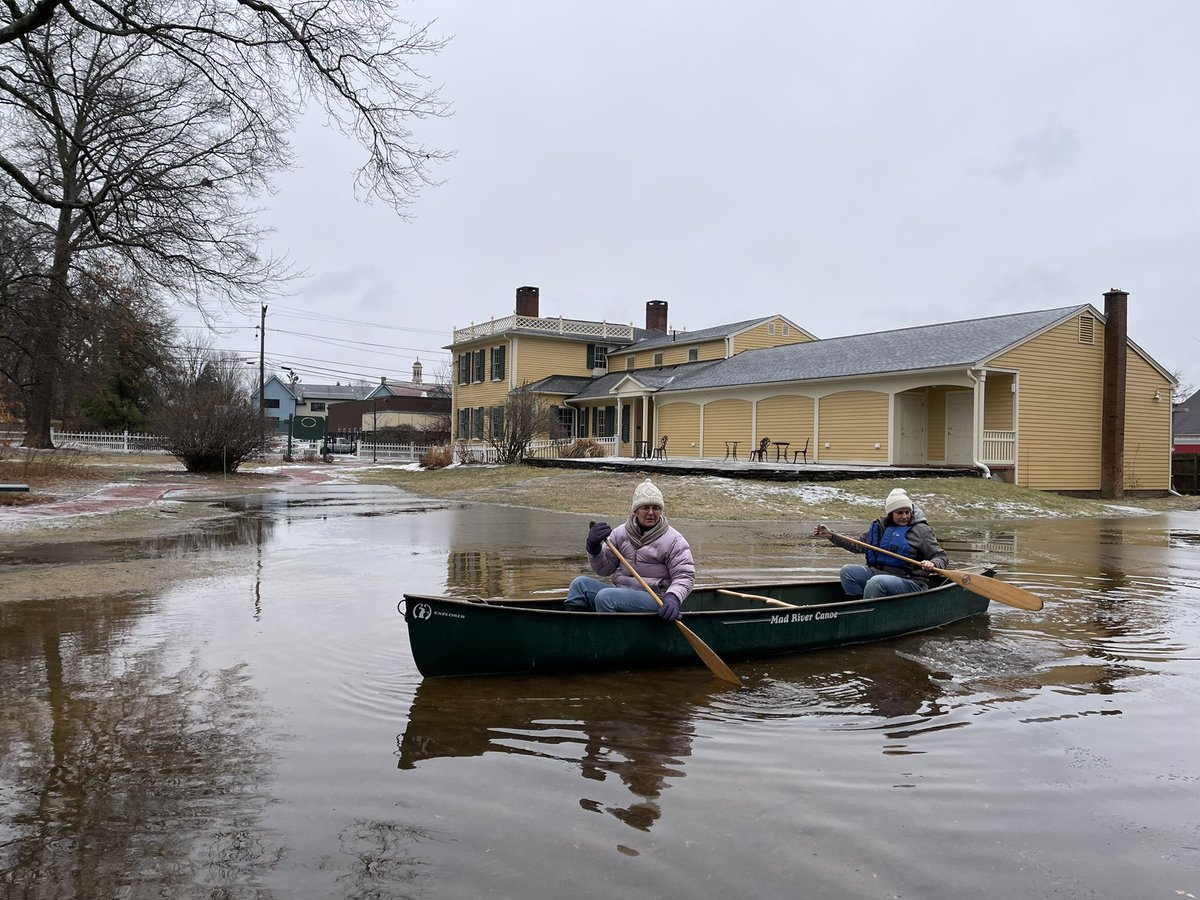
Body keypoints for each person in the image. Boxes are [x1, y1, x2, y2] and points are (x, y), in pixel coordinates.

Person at [565, 479, 695, 621]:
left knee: (606, 598)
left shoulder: (674, 540)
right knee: (579, 585)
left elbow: (685, 576)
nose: (651, 513)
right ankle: (576, 632)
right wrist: (594, 549)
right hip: (621, 591)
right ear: (635, 511)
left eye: (656, 508)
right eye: (645, 507)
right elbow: (604, 570)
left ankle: (608, 640)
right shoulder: (620, 533)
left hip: (656, 598)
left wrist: (673, 597)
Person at [813, 487, 948, 599]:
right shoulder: (880, 528)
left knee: (876, 583)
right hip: (878, 574)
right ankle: (858, 607)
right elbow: (857, 545)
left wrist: (933, 563)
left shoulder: (921, 530)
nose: (904, 516)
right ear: (890, 514)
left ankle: (867, 615)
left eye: (907, 512)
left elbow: (941, 557)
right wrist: (832, 535)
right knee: (847, 572)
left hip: (910, 582)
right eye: (899, 513)